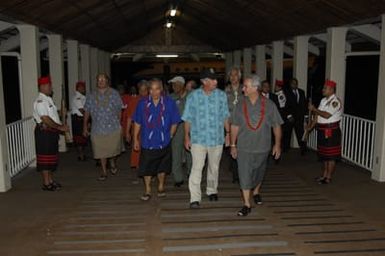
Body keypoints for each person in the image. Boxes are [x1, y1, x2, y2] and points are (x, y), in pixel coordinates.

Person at [230, 75, 283, 216]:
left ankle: (257, 191)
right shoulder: (240, 104)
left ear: (255, 88)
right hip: (244, 147)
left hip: (263, 147)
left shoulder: (269, 104)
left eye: (246, 86)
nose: (243, 89)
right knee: (244, 174)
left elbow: (276, 126)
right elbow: (234, 125)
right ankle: (246, 204)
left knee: (259, 174)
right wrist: (233, 144)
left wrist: (277, 145)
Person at [183, 68, 230, 209]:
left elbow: (225, 116)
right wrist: (186, 136)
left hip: (217, 138)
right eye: (212, 79)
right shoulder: (193, 96)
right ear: (204, 81)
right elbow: (187, 118)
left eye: (216, 79)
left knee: (214, 167)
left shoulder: (221, 96)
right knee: (197, 168)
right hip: (198, 139)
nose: (216, 81)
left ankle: (211, 190)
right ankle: (195, 198)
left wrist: (228, 133)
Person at [132, 78, 180, 201]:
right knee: (146, 167)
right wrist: (135, 139)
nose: (154, 92)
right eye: (152, 89)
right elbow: (137, 122)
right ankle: (147, 189)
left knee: (162, 166)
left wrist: (170, 135)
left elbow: (175, 121)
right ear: (149, 90)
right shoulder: (142, 104)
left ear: (161, 89)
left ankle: (161, 186)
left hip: (164, 141)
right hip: (147, 142)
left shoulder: (169, 103)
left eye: (157, 89)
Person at [83, 73, 123, 181]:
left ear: (107, 81)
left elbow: (119, 109)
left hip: (113, 127)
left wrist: (119, 124)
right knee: (100, 151)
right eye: (98, 79)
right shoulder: (91, 95)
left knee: (114, 149)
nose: (100, 81)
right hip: (97, 128)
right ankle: (104, 172)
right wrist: (85, 127)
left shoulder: (114, 93)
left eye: (103, 79)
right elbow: (87, 111)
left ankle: (112, 161)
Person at [33, 76, 69, 191]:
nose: (51, 88)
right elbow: (45, 118)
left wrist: (60, 112)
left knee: (51, 158)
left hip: (51, 132)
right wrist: (60, 127)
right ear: (43, 87)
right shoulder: (40, 101)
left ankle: (51, 181)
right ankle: (46, 183)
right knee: (45, 159)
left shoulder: (48, 99)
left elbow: (52, 115)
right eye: (49, 86)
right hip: (44, 133)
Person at [306, 79, 342, 185]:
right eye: (324, 88)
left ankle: (328, 177)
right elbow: (317, 116)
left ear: (331, 90)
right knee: (324, 155)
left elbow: (326, 115)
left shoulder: (335, 102)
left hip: (331, 131)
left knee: (331, 156)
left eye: (325, 88)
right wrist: (310, 127)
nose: (323, 90)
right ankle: (324, 175)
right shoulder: (323, 100)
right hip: (322, 130)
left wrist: (313, 109)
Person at [169, 76, 192, 187]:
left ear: (182, 85)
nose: (173, 87)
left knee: (190, 152)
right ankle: (178, 178)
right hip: (176, 127)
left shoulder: (191, 96)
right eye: (172, 85)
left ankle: (191, 174)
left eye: (175, 84)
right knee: (176, 152)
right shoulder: (170, 97)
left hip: (191, 127)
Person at [125, 80, 149, 179]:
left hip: (149, 130)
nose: (143, 93)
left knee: (149, 152)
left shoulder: (152, 99)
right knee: (137, 152)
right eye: (141, 90)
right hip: (137, 131)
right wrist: (127, 132)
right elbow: (129, 117)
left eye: (145, 90)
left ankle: (149, 171)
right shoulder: (134, 101)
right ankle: (142, 172)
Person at [225, 67, 243, 183]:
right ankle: (236, 175)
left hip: (243, 125)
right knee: (232, 147)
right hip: (230, 124)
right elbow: (224, 111)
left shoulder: (245, 90)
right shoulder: (225, 91)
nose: (233, 77)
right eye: (231, 75)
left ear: (239, 76)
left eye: (235, 75)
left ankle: (242, 172)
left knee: (242, 149)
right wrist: (226, 131)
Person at [284, 78, 308, 155]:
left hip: (299, 117)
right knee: (288, 133)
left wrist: (306, 115)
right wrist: (288, 115)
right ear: (290, 84)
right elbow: (285, 105)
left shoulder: (301, 92)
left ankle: (303, 148)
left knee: (300, 133)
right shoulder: (286, 92)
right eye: (293, 83)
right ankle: (286, 148)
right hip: (290, 117)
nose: (294, 84)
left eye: (296, 83)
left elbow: (304, 104)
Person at [71, 81, 87, 161]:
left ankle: (82, 154)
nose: (84, 88)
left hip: (82, 119)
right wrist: (90, 117)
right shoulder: (77, 98)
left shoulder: (83, 97)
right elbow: (82, 110)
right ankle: (81, 156)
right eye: (82, 87)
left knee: (83, 139)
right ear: (78, 88)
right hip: (78, 120)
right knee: (79, 139)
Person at [274, 80, 290, 152]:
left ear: (279, 87)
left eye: (276, 86)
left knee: (281, 131)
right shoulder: (278, 94)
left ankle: (282, 147)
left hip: (281, 114)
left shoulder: (281, 95)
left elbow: (281, 106)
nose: (275, 87)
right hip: (280, 114)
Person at [118, 84, 130, 152]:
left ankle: (127, 142)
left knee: (126, 131)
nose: (120, 90)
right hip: (118, 118)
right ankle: (121, 146)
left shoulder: (127, 97)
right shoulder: (115, 97)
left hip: (126, 117)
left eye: (122, 89)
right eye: (119, 89)